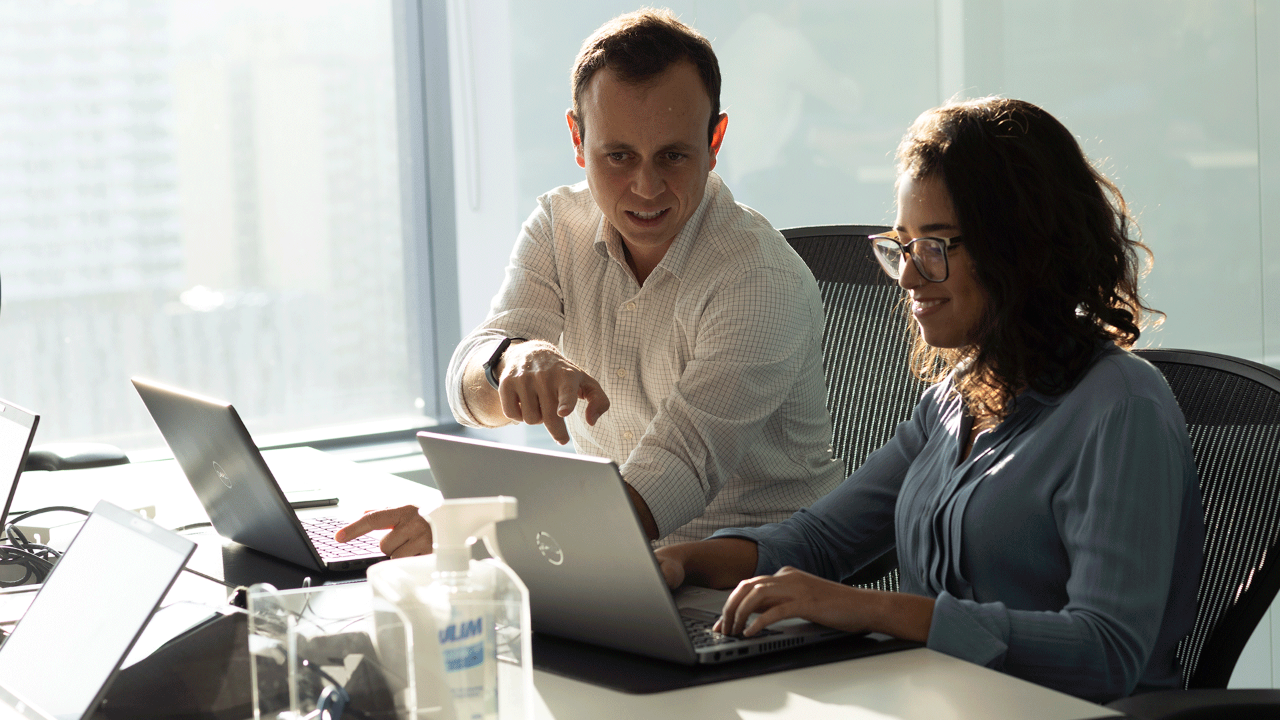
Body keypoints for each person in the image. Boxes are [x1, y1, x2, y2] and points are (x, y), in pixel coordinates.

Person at [653, 97, 1205, 703]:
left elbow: (1105, 653)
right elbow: (819, 543)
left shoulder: (1122, 408)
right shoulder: (954, 401)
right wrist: (683, 560)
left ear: (1020, 248)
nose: (910, 277)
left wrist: (875, 611)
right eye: (903, 245)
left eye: (936, 246)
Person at [336, 8, 843, 554]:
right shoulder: (560, 226)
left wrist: (468, 528)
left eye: (673, 155)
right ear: (578, 139)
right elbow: (466, 391)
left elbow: (670, 477)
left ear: (714, 139)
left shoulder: (758, 279)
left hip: (760, 585)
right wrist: (511, 360)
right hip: (616, 560)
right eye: (619, 156)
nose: (647, 188)